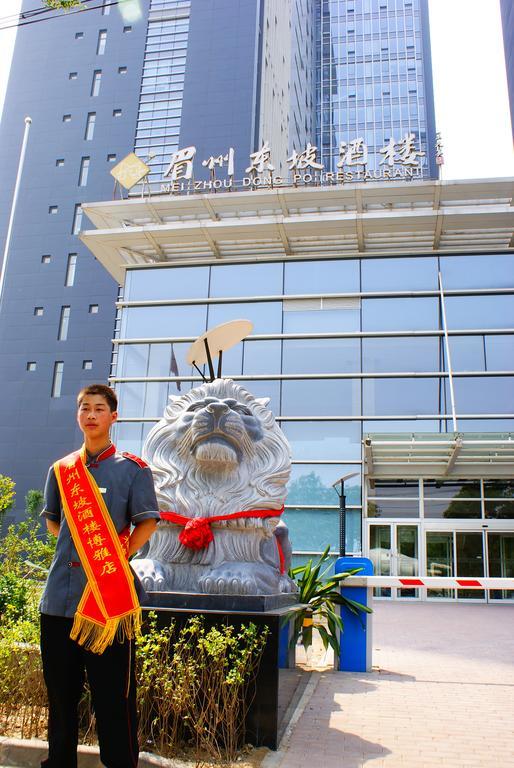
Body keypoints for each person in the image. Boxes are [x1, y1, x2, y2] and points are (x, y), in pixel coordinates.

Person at [39, 383, 160, 768]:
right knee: (60, 699)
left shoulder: (133, 470)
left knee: (114, 700)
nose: (91, 415)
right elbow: (55, 524)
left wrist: (110, 557)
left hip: (109, 602)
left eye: (99, 408)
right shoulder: (62, 471)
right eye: (85, 408)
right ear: (78, 416)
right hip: (59, 601)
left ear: (113, 416)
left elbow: (147, 524)